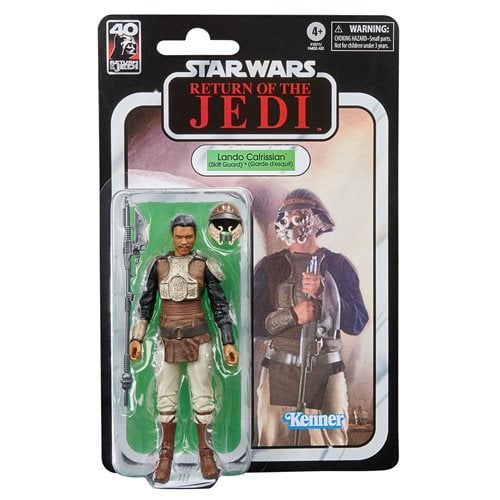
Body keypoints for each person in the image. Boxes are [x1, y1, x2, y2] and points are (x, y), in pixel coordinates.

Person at [254, 189, 368, 446]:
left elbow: (357, 322)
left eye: (300, 214)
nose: (291, 221)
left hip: (327, 368)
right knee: (273, 444)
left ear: (317, 220)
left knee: (331, 446)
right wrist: (293, 315)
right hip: (280, 368)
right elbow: (253, 323)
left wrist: (326, 293)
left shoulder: (338, 265)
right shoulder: (269, 267)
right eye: (287, 215)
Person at [129, 214, 238, 483]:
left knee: (203, 398)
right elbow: (146, 304)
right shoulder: (159, 265)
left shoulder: (204, 265)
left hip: (199, 339)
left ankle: (206, 453)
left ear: (195, 236)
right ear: (172, 236)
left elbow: (220, 306)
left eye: (189, 236)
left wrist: (228, 341)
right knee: (165, 399)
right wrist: (137, 338)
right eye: (179, 236)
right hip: (166, 340)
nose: (184, 242)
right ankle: (165, 455)